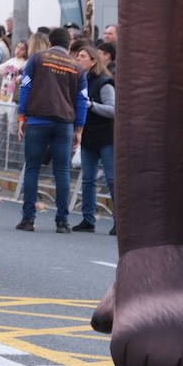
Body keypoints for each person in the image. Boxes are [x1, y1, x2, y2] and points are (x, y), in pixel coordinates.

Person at [15, 26, 88, 234]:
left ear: (49, 43)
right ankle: (62, 221)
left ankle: (28, 218)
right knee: (62, 172)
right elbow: (82, 100)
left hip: (38, 121)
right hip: (64, 124)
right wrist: (79, 129)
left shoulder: (37, 59)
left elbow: (26, 86)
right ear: (70, 44)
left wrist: (22, 115)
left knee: (32, 169)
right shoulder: (78, 67)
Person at [71, 42, 115, 234]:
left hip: (106, 136)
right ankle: (88, 219)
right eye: (77, 56)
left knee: (112, 179)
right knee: (88, 179)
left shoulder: (104, 82)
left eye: (82, 57)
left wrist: (92, 106)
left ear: (92, 61)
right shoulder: (79, 81)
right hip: (88, 135)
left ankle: (120, 221)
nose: (78, 59)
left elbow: (114, 109)